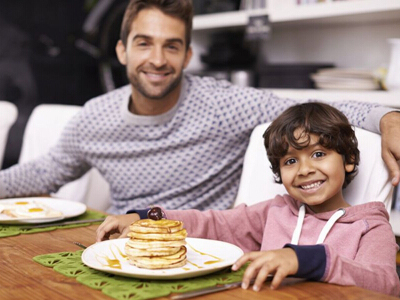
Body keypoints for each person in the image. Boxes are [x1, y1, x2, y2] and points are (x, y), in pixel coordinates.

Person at [0, 0, 399, 214]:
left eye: (171, 45)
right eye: (144, 43)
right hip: (118, 247)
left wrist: (388, 117)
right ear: (122, 50)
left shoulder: (224, 105)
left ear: (187, 54)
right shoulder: (94, 118)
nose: (157, 59)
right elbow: (43, 173)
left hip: (205, 257)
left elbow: (313, 108)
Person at [96, 102, 400, 296]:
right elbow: (214, 224)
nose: (305, 170)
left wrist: (307, 260)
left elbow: (386, 284)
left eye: (318, 154)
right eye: (290, 161)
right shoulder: (277, 211)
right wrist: (149, 217)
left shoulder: (369, 226)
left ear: (348, 160)